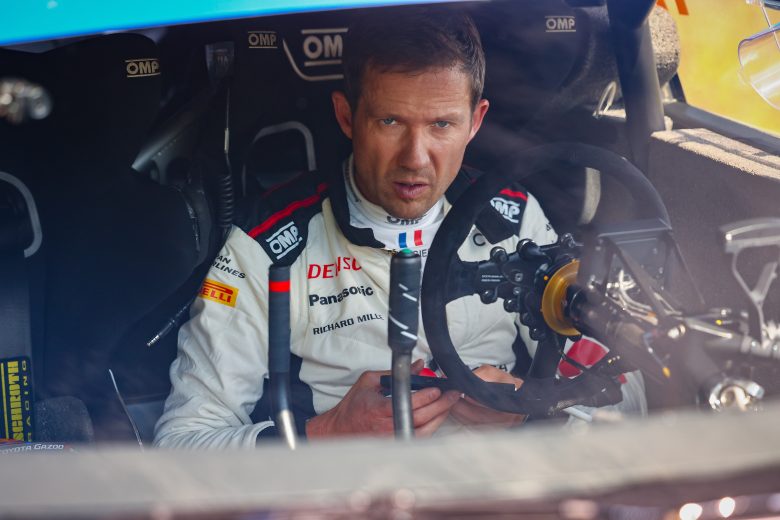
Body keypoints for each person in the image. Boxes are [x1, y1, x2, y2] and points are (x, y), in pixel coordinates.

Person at [154, 7, 644, 448]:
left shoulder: (512, 218)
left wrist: (531, 408)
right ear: (347, 116)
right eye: (390, 121)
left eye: (441, 125)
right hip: (345, 496)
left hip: (496, 491)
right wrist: (324, 435)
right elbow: (183, 444)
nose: (415, 158)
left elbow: (628, 392)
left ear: (475, 122)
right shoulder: (267, 246)